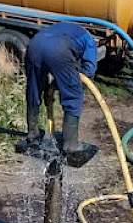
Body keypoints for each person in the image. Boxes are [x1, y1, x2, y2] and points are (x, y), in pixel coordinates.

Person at [17, 22, 98, 166]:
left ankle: (32, 135)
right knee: (74, 96)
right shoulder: (89, 39)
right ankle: (71, 145)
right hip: (59, 49)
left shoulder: (63, 27)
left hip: (34, 44)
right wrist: (67, 82)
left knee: (33, 91)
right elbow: (89, 70)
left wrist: (54, 83)